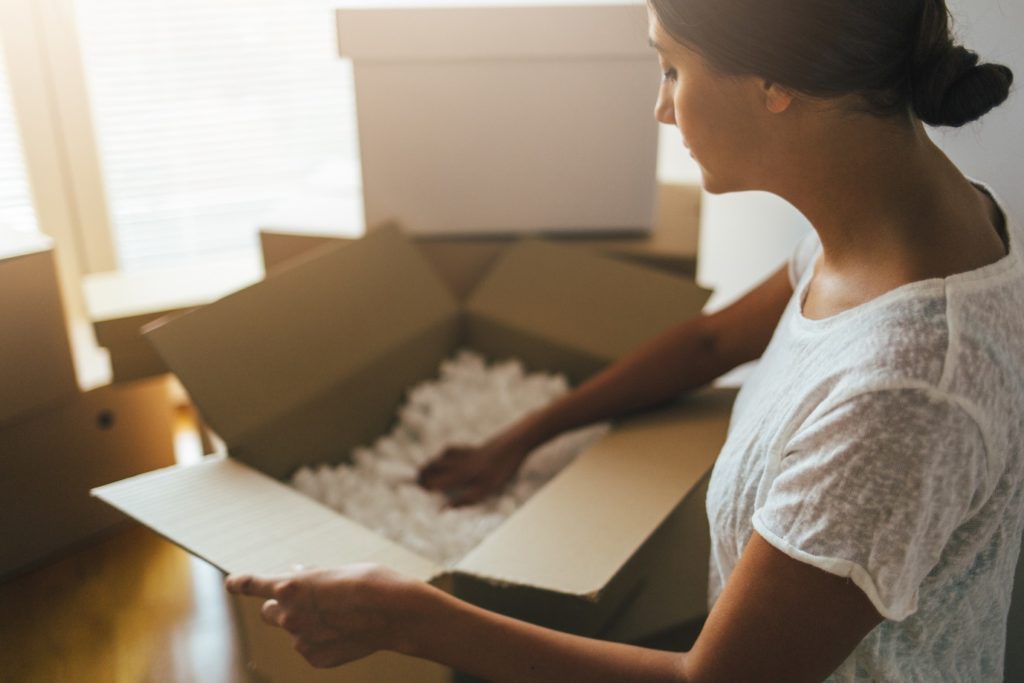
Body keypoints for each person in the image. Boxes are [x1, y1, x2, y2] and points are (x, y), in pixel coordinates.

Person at [226, 0, 1022, 680]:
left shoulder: (905, 392)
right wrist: (526, 432)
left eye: (672, 67)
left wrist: (412, 618)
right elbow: (712, 348)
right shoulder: (892, 210)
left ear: (774, 82)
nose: (661, 107)